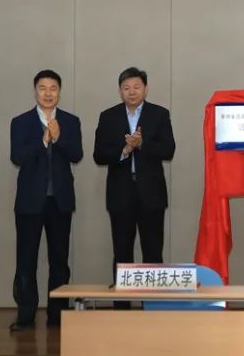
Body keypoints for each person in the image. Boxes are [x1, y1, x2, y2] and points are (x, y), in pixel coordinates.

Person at [10, 69, 83, 331]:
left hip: (60, 202)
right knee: (26, 260)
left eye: (53, 88)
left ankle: (57, 315)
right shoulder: (21, 122)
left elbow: (77, 155)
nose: (48, 93)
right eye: (42, 88)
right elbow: (17, 157)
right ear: (35, 92)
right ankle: (25, 315)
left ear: (59, 92)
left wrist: (59, 137)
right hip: (30, 202)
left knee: (59, 262)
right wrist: (43, 140)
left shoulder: (70, 121)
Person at [93, 67, 175, 294]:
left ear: (145, 89)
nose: (132, 92)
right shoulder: (108, 116)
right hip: (120, 194)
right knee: (122, 252)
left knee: (153, 252)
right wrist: (125, 150)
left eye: (136, 87)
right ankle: (122, 306)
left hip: (152, 194)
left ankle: (153, 304)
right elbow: (99, 155)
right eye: (126, 88)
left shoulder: (159, 114)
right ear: (120, 91)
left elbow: (168, 150)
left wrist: (142, 144)